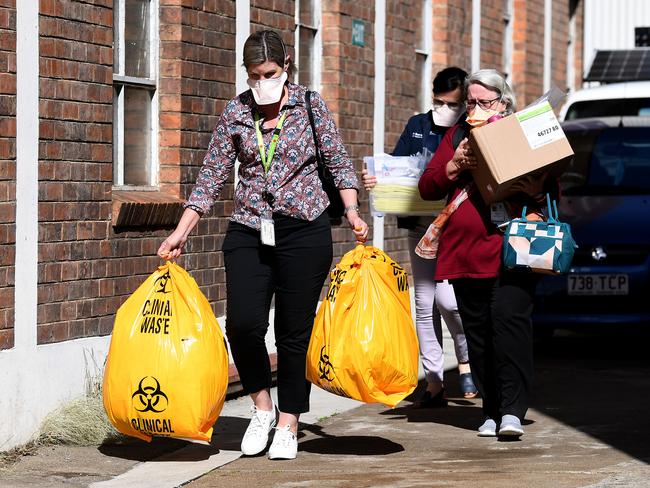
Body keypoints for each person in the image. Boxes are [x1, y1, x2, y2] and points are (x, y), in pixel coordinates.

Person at [157, 30, 368, 460]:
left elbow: (338, 160)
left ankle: (290, 421)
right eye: (255, 75)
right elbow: (211, 176)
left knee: (294, 333)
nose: (262, 82)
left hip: (304, 230)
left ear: (286, 66)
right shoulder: (237, 111)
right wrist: (180, 231)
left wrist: (351, 211)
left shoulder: (309, 105)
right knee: (243, 326)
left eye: (269, 73)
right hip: (249, 229)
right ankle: (261, 407)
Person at [418, 69, 556, 438]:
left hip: (512, 249)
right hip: (464, 253)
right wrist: (455, 164)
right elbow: (428, 185)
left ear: (503, 101)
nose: (475, 108)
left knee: (509, 327)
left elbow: (550, 187)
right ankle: (491, 410)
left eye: (484, 102)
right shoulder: (458, 135)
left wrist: (531, 186)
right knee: (477, 334)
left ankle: (512, 410)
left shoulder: (520, 134)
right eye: (471, 102)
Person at [362, 67, 478, 407]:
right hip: (420, 226)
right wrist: (377, 179)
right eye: (438, 102)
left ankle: (466, 360)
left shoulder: (469, 130)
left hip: (455, 227)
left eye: (452, 104)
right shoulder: (418, 126)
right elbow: (395, 167)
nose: (444, 109)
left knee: (450, 302)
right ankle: (434, 381)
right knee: (424, 304)